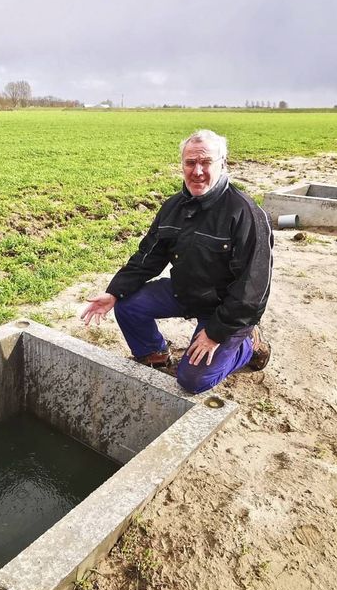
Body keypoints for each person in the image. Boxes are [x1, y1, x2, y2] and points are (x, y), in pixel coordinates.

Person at [81, 129, 273, 394]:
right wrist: (114, 292)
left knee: (193, 380)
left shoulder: (245, 213)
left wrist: (216, 332)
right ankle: (156, 355)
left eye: (206, 162)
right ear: (182, 165)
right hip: (185, 290)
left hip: (224, 307)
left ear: (223, 163)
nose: (197, 171)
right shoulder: (174, 207)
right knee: (127, 304)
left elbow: (252, 290)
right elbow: (148, 256)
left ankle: (248, 344)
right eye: (190, 163)